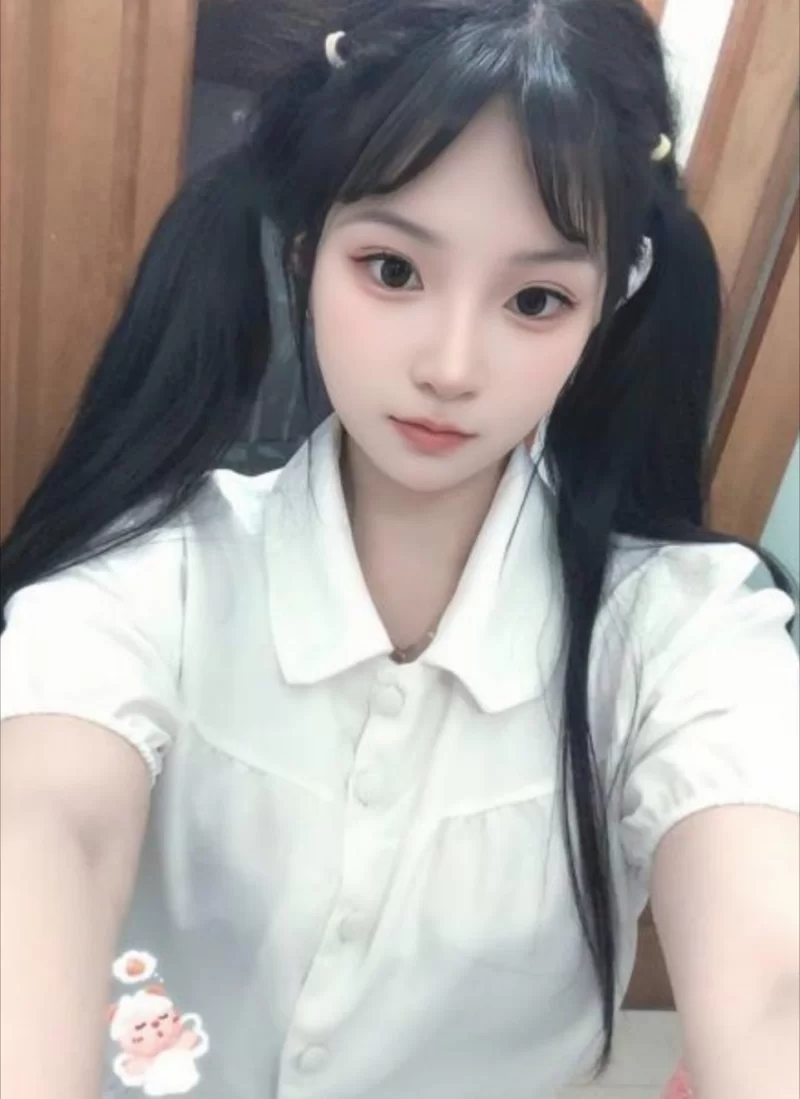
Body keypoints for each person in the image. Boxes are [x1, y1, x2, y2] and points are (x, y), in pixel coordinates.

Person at [1, 2, 798, 1097]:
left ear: (606, 307)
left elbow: (774, 977)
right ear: (306, 250)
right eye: (391, 269)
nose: (451, 365)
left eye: (534, 299)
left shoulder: (682, 629)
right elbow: (50, 823)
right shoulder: (151, 572)